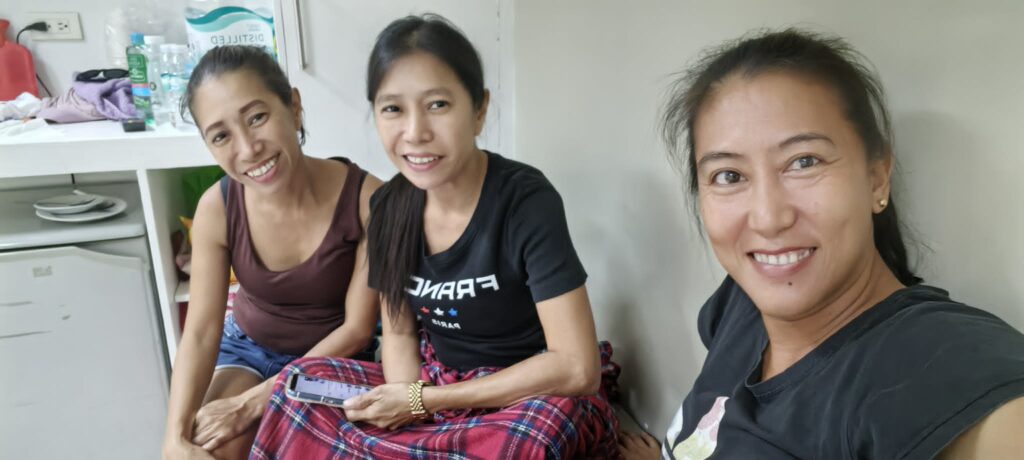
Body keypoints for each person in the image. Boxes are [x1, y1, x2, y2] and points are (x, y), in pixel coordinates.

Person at [619, 29, 1024, 459]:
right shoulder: (740, 302)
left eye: (804, 162)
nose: (768, 218)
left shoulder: (937, 367)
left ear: (877, 178)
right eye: (729, 175)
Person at [251, 14, 621, 459]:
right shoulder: (387, 207)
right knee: (297, 388)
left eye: (438, 105)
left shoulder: (525, 201)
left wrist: (422, 402)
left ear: (479, 110)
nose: (415, 133)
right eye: (393, 109)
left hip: (525, 392)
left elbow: (577, 368)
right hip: (436, 380)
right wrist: (404, 404)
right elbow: (399, 334)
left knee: (530, 438)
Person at [160, 46, 382, 459]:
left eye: (257, 117)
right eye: (221, 136)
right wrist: (174, 438)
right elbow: (202, 331)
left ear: (293, 107)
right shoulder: (217, 208)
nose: (248, 149)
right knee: (208, 448)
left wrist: (251, 404)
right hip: (247, 349)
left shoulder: (367, 200)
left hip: (331, 364)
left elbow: (357, 330)